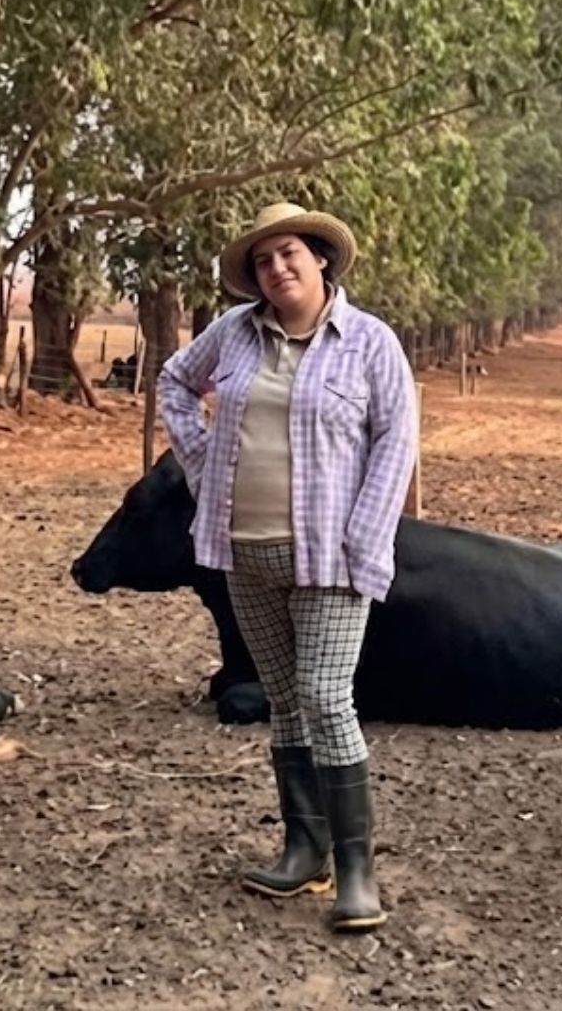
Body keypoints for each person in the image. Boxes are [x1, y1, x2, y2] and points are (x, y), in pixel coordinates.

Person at [157, 201, 418, 932]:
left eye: (290, 254)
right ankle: (304, 848)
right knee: (283, 699)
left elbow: (397, 441)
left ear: (320, 259)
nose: (278, 269)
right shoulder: (234, 336)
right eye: (264, 261)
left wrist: (363, 537)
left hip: (331, 555)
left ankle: (357, 868)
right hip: (245, 551)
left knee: (326, 695)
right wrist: (204, 463)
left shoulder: (369, 343)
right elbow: (175, 383)